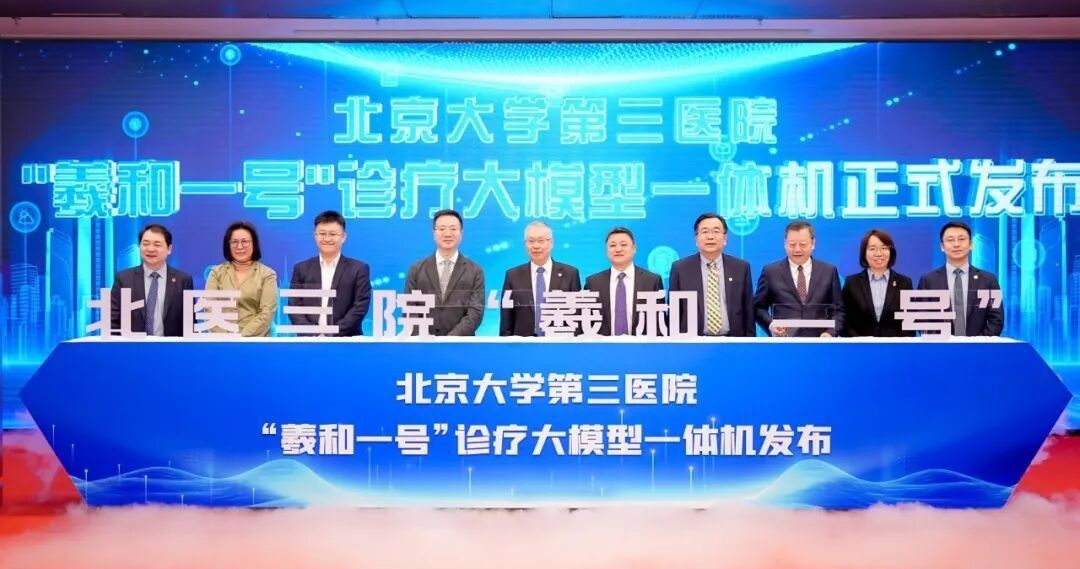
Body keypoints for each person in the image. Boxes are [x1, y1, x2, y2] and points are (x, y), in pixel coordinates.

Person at [668, 214, 754, 336]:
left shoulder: (741, 268)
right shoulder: (680, 269)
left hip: (733, 341)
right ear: (696, 238)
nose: (710, 237)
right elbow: (674, 312)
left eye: (716, 231)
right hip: (693, 342)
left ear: (725, 238)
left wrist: (750, 343)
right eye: (704, 232)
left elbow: (749, 311)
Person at [754, 221, 844, 337]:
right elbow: (758, 308)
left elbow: (839, 310)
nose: (797, 249)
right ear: (785, 244)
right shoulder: (770, 272)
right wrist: (771, 324)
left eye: (803, 244)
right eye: (792, 244)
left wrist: (830, 333)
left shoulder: (829, 271)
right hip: (784, 342)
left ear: (813, 243)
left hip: (820, 342)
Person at [288, 210, 371, 336]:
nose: (327, 239)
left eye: (333, 234)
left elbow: (360, 306)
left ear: (343, 237)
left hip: (346, 340)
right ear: (315, 236)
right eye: (322, 234)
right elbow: (294, 305)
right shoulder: (301, 268)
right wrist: (312, 334)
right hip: (309, 341)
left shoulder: (359, 269)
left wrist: (332, 333)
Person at [403, 209, 485, 336]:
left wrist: (449, 340)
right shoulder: (416, 269)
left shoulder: (475, 271)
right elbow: (410, 309)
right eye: (441, 229)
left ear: (461, 233)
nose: (447, 234)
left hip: (461, 343)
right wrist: (425, 339)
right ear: (434, 233)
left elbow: (475, 312)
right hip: (423, 343)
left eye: (453, 229)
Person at [917, 221, 1004, 336]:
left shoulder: (989, 280)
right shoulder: (928, 280)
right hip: (940, 345)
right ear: (942, 246)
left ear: (971, 244)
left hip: (979, 345)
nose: (956, 244)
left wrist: (978, 343)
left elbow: (996, 320)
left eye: (961, 239)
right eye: (950, 240)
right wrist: (940, 342)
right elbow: (921, 318)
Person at [109, 224, 194, 336]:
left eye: (157, 244)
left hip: (171, 346)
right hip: (132, 345)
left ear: (169, 249)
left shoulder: (183, 280)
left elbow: (189, 324)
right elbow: (112, 321)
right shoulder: (123, 279)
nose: (150, 249)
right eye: (145, 244)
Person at [500, 221, 581, 336]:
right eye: (531, 241)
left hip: (559, 343)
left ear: (551, 243)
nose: (536, 246)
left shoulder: (570, 274)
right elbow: (506, 321)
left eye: (541, 240)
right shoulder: (512, 276)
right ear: (525, 244)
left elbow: (577, 317)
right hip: (523, 344)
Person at [583, 227, 662, 336]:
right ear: (606, 250)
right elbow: (586, 322)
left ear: (634, 248)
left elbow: (659, 322)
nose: (618, 249)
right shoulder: (593, 283)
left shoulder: (652, 281)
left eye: (623, 245)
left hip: (641, 344)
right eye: (612, 245)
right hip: (603, 345)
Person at [206, 221, 278, 337]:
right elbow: (209, 307)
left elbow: (267, 312)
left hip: (255, 341)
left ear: (254, 243)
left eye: (245, 241)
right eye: (234, 242)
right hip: (222, 340)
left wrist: (241, 338)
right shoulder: (216, 272)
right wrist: (225, 338)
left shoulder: (267, 274)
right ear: (228, 245)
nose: (239, 247)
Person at [841, 229, 914, 337]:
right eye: (872, 249)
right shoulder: (851, 283)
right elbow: (843, 319)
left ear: (891, 252)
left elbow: (909, 323)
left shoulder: (904, 283)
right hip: (859, 345)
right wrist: (858, 341)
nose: (878, 254)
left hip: (895, 346)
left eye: (884, 248)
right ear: (864, 253)